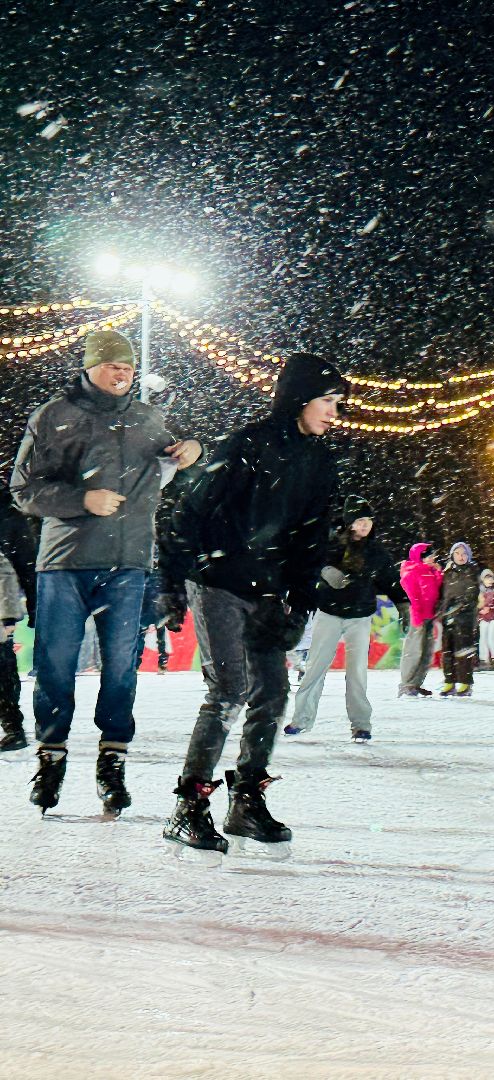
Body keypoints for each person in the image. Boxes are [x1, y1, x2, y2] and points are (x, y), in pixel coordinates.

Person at [159, 353, 346, 857]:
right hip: (217, 581)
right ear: (299, 399)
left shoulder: (320, 462)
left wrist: (298, 602)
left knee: (272, 693)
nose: (334, 412)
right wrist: (172, 582)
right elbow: (191, 509)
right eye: (327, 401)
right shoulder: (248, 444)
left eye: (337, 403)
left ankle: (246, 799)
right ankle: (189, 805)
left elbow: (311, 538)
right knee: (229, 690)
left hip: (266, 592)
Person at [9, 330, 202, 814]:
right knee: (55, 666)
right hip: (65, 562)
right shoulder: (54, 415)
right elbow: (23, 489)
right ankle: (50, 757)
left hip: (129, 563)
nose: (123, 374)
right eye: (114, 365)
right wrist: (82, 499)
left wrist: (192, 450)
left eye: (129, 368)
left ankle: (112, 762)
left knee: (120, 668)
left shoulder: (147, 419)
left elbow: (175, 459)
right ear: (91, 366)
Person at [284, 496, 404, 740]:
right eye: (359, 520)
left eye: (368, 520)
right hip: (329, 613)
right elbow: (310, 563)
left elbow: (390, 580)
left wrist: (404, 604)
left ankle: (361, 724)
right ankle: (301, 719)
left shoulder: (376, 552)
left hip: (360, 616)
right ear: (349, 522)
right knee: (315, 667)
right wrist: (326, 571)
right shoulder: (331, 544)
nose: (365, 525)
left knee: (357, 672)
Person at [0, 496, 37, 753]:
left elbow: (25, 564)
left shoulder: (9, 514)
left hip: (2, 600)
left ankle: (13, 727)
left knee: (2, 666)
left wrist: (34, 606)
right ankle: (13, 727)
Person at [398, 543, 444, 697]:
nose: (432, 559)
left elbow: (435, 589)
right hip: (418, 616)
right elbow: (413, 596)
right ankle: (406, 683)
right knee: (414, 650)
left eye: (432, 556)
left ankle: (416, 683)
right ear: (419, 557)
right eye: (428, 556)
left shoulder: (429, 570)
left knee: (426, 651)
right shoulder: (411, 571)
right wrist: (417, 615)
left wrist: (438, 573)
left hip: (430, 615)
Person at [439, 542, 480, 695]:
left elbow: (472, 594)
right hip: (447, 616)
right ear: (452, 555)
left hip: (464, 617)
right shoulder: (448, 572)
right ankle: (449, 681)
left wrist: (459, 606)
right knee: (447, 650)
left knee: (463, 651)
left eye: (464, 554)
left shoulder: (472, 571)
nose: (461, 556)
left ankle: (465, 682)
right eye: (457, 553)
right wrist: (443, 609)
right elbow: (443, 594)